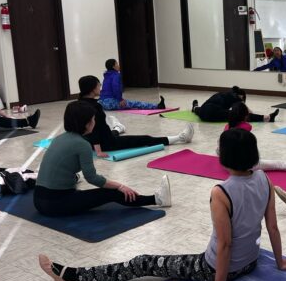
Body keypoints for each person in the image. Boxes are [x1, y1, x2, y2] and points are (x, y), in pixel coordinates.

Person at [38, 128, 286, 281]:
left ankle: (71, 276)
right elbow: (271, 226)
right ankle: (72, 275)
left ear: (225, 158)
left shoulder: (221, 192)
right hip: (249, 262)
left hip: (215, 269)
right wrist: (280, 261)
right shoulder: (264, 179)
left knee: (142, 263)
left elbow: (224, 245)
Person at [33, 101, 171, 217]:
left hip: (38, 199)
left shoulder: (59, 138)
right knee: (112, 193)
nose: (95, 122)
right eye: (93, 119)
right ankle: (157, 199)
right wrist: (120, 186)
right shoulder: (82, 145)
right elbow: (92, 178)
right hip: (54, 204)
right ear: (86, 123)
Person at [78, 76, 193, 157]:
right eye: (99, 86)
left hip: (88, 142)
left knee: (112, 133)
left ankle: (118, 128)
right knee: (144, 139)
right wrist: (99, 151)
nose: (100, 88)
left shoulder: (76, 104)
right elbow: (95, 131)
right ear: (93, 89)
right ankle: (181, 138)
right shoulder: (95, 107)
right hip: (107, 143)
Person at [225, 101, 286, 172]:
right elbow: (251, 154)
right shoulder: (246, 127)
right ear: (245, 115)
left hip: (228, 164)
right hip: (244, 165)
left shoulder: (227, 127)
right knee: (279, 164)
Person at [99, 59, 165, 111]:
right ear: (113, 66)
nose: (118, 65)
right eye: (117, 64)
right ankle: (158, 106)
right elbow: (116, 88)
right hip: (110, 103)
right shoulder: (116, 75)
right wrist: (120, 99)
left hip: (102, 103)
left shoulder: (107, 75)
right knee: (135, 103)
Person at [192, 86, 278, 123]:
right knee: (241, 115)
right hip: (213, 113)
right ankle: (268, 118)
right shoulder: (236, 97)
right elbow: (247, 111)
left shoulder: (224, 93)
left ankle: (195, 107)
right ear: (241, 96)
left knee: (199, 110)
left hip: (203, 111)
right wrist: (257, 116)